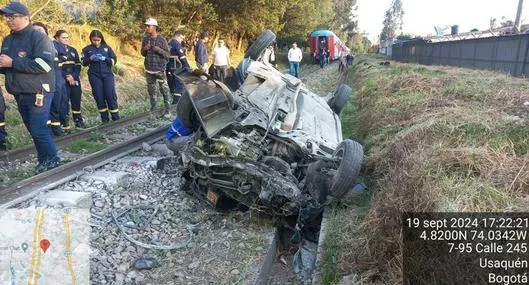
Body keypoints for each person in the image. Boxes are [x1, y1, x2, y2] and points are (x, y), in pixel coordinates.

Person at [0, 2, 60, 171]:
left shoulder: (38, 37)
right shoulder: (8, 39)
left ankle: (52, 162)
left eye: (12, 16)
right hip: (20, 91)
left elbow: (44, 64)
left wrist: (12, 62)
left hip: (38, 90)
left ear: (25, 17)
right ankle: (44, 161)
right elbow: (8, 66)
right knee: (33, 129)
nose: (8, 20)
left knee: (38, 129)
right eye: (6, 17)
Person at [82, 30, 120, 123]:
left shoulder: (107, 48)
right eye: (94, 40)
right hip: (94, 75)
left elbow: (114, 61)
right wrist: (90, 59)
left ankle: (116, 118)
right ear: (91, 39)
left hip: (107, 75)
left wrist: (105, 59)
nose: (96, 42)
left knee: (110, 95)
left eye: (98, 40)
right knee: (99, 96)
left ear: (101, 39)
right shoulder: (86, 49)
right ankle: (105, 120)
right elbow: (83, 63)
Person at [55, 30, 86, 128]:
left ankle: (78, 122)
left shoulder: (73, 50)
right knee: (64, 103)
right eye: (63, 38)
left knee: (76, 100)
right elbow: (57, 67)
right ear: (57, 38)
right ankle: (65, 125)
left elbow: (78, 64)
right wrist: (67, 77)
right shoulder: (55, 50)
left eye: (67, 37)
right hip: (63, 80)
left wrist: (74, 76)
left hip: (74, 78)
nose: (66, 39)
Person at [141, 17, 171, 117]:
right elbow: (143, 53)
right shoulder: (145, 39)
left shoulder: (162, 40)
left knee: (165, 91)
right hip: (149, 70)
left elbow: (168, 55)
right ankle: (154, 110)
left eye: (148, 26)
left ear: (154, 27)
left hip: (160, 70)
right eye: (146, 26)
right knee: (151, 92)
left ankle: (168, 110)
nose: (146, 28)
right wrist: (145, 48)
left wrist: (158, 50)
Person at [166, 31, 190, 105]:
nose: (182, 40)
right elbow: (182, 57)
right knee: (179, 86)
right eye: (181, 38)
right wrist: (187, 67)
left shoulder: (168, 43)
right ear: (177, 36)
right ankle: (176, 103)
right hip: (177, 67)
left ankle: (170, 101)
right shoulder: (176, 44)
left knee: (172, 84)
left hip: (169, 67)